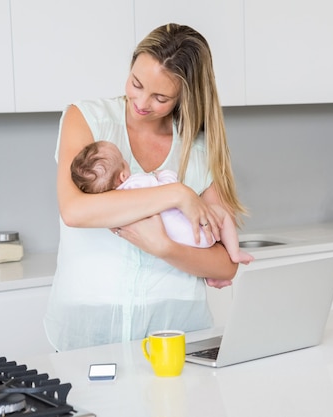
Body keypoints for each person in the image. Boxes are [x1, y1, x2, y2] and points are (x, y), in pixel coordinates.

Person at [44, 23, 248, 351]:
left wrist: (165, 247)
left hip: (177, 332)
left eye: (161, 97)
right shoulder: (87, 118)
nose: (141, 102)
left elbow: (225, 264)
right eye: (136, 84)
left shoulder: (195, 146)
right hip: (88, 329)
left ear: (185, 95)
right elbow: (75, 210)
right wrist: (178, 194)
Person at [70, 140, 254, 265]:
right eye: (124, 161)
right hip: (198, 234)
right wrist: (163, 174)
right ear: (123, 175)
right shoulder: (139, 183)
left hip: (179, 243)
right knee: (220, 215)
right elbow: (170, 186)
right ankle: (234, 253)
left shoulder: (114, 212)